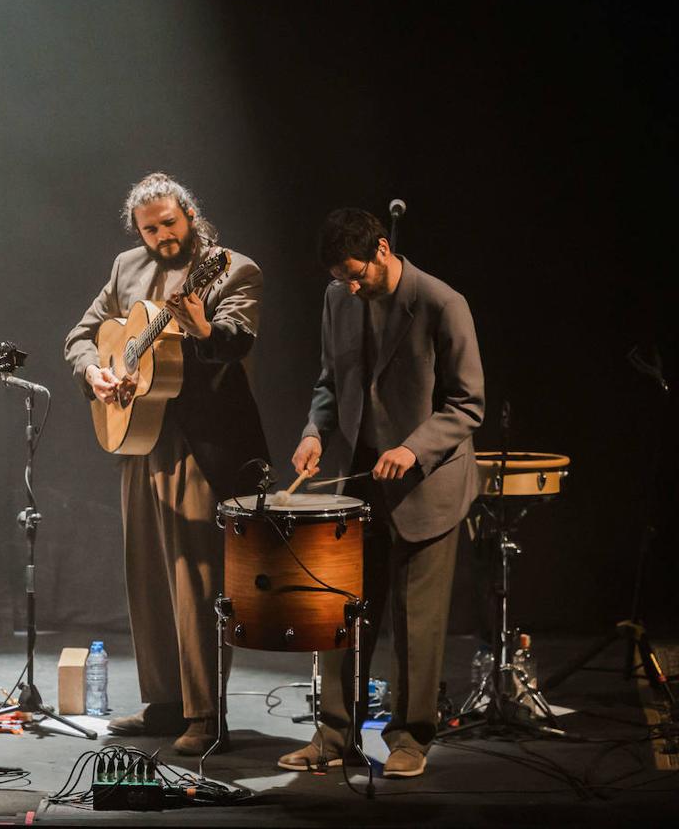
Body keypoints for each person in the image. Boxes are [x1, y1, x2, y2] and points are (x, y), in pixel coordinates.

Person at [64, 172, 269, 755]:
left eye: (170, 224)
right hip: (139, 437)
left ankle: (206, 713)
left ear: (191, 216)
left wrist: (203, 325)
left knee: (196, 580)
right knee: (148, 575)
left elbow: (236, 339)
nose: (162, 237)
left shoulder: (232, 268)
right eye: (150, 229)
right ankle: (163, 703)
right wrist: (96, 372)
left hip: (199, 443)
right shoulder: (126, 267)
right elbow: (81, 336)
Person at [278, 207, 484, 778]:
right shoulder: (336, 298)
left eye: (355, 273)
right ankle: (335, 733)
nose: (348, 285)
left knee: (416, 624)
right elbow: (329, 380)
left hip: (427, 484)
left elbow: (468, 403)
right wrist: (313, 432)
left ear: (383, 250)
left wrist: (414, 448)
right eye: (338, 277)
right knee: (341, 613)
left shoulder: (443, 303)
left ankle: (410, 738)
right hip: (360, 482)